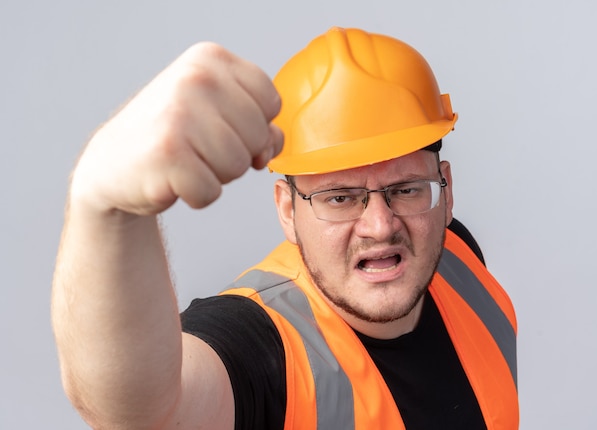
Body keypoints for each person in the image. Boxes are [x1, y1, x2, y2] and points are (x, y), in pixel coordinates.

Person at [51, 27, 518, 429]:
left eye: (407, 189)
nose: (380, 225)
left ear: (445, 189)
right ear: (287, 210)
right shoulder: (259, 345)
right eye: (340, 197)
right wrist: (106, 205)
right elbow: (143, 412)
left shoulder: (457, 254)